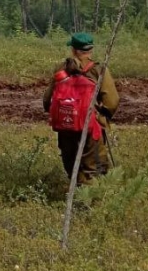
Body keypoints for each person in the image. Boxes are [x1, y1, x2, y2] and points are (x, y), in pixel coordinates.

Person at [43, 32, 119, 185]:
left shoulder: (61, 69)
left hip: (66, 126)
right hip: (91, 127)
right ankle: (89, 204)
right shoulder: (99, 70)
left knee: (72, 168)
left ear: (73, 50)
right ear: (90, 50)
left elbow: (47, 100)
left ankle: (77, 194)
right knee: (93, 169)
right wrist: (102, 116)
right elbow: (112, 101)